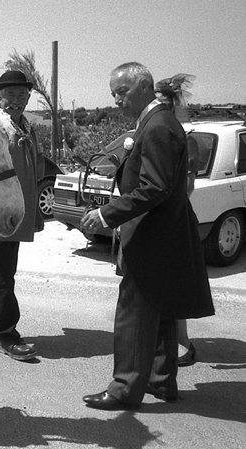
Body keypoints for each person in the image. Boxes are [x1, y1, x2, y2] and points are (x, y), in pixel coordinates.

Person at [81, 62, 214, 410]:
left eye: (121, 92)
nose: (116, 100)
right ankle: (160, 380)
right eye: (113, 94)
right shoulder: (159, 122)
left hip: (152, 235)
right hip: (163, 232)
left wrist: (106, 214)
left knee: (134, 310)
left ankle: (124, 388)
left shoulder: (156, 127)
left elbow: (153, 188)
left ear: (143, 87)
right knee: (160, 307)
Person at [0, 70, 44, 361]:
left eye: (21, 95)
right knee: (3, 274)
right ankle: (8, 335)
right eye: (10, 96)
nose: (16, 101)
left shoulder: (24, 124)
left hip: (18, 209)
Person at [154, 73, 199, 367]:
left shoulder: (183, 138)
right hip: (160, 217)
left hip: (173, 217)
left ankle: (182, 344)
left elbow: (189, 186)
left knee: (173, 283)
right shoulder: (156, 130)